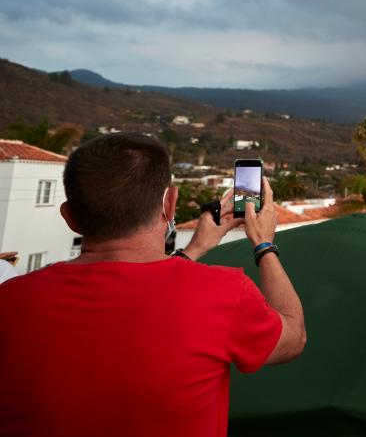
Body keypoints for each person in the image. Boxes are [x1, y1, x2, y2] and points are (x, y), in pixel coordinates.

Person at [0, 133, 306, 437]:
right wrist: (264, 244)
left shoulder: (11, 300)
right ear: (170, 204)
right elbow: (293, 338)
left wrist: (195, 248)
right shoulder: (224, 293)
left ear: (70, 217)